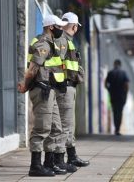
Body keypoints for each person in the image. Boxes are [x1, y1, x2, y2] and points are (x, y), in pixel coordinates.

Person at [17, 14, 68, 176]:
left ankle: (49, 163)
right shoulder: (43, 44)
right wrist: (25, 84)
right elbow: (33, 68)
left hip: (50, 89)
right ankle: (35, 166)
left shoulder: (51, 43)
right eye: (59, 27)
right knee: (42, 128)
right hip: (42, 90)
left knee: (56, 127)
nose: (62, 29)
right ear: (51, 27)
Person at [49, 12, 90, 169]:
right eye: (76, 27)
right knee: (65, 124)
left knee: (68, 124)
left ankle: (71, 155)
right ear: (74, 26)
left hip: (66, 86)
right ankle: (60, 160)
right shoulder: (63, 41)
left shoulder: (64, 40)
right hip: (64, 87)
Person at [105, 59, 129, 135]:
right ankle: (118, 129)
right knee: (120, 112)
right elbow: (127, 85)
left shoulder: (110, 73)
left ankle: (116, 128)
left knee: (115, 112)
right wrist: (125, 93)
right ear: (120, 64)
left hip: (113, 95)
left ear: (114, 64)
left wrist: (109, 90)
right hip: (121, 96)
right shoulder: (123, 73)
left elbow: (105, 83)